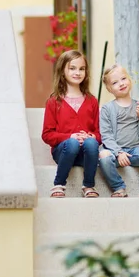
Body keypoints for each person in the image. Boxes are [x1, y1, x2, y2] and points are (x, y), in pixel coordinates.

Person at [41, 50, 101, 198]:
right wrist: (70, 137)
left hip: (85, 154)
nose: (78, 72)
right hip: (63, 152)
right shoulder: (54, 102)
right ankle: (59, 184)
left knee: (92, 143)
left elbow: (99, 133)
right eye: (72, 68)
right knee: (73, 143)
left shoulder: (92, 101)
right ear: (62, 71)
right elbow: (47, 135)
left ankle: (88, 186)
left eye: (82, 69)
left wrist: (91, 136)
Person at [98, 64, 139, 198]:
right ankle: (118, 187)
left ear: (129, 80)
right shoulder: (107, 109)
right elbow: (106, 136)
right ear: (109, 89)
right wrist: (118, 152)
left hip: (135, 150)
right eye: (115, 82)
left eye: (123, 78)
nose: (121, 83)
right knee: (104, 157)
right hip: (115, 152)